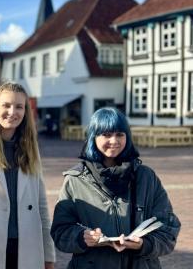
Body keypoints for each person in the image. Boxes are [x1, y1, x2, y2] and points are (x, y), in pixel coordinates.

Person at [51, 107, 181, 268]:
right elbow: (60, 231)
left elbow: (168, 227)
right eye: (106, 134)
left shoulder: (146, 177)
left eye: (120, 134)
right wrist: (81, 237)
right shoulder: (75, 180)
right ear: (93, 137)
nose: (114, 141)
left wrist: (144, 244)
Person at [0, 82, 55, 269]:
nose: (12, 112)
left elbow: (41, 207)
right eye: (6, 105)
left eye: (19, 107)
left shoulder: (31, 148)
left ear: (25, 112)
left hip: (27, 245)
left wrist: (49, 255)